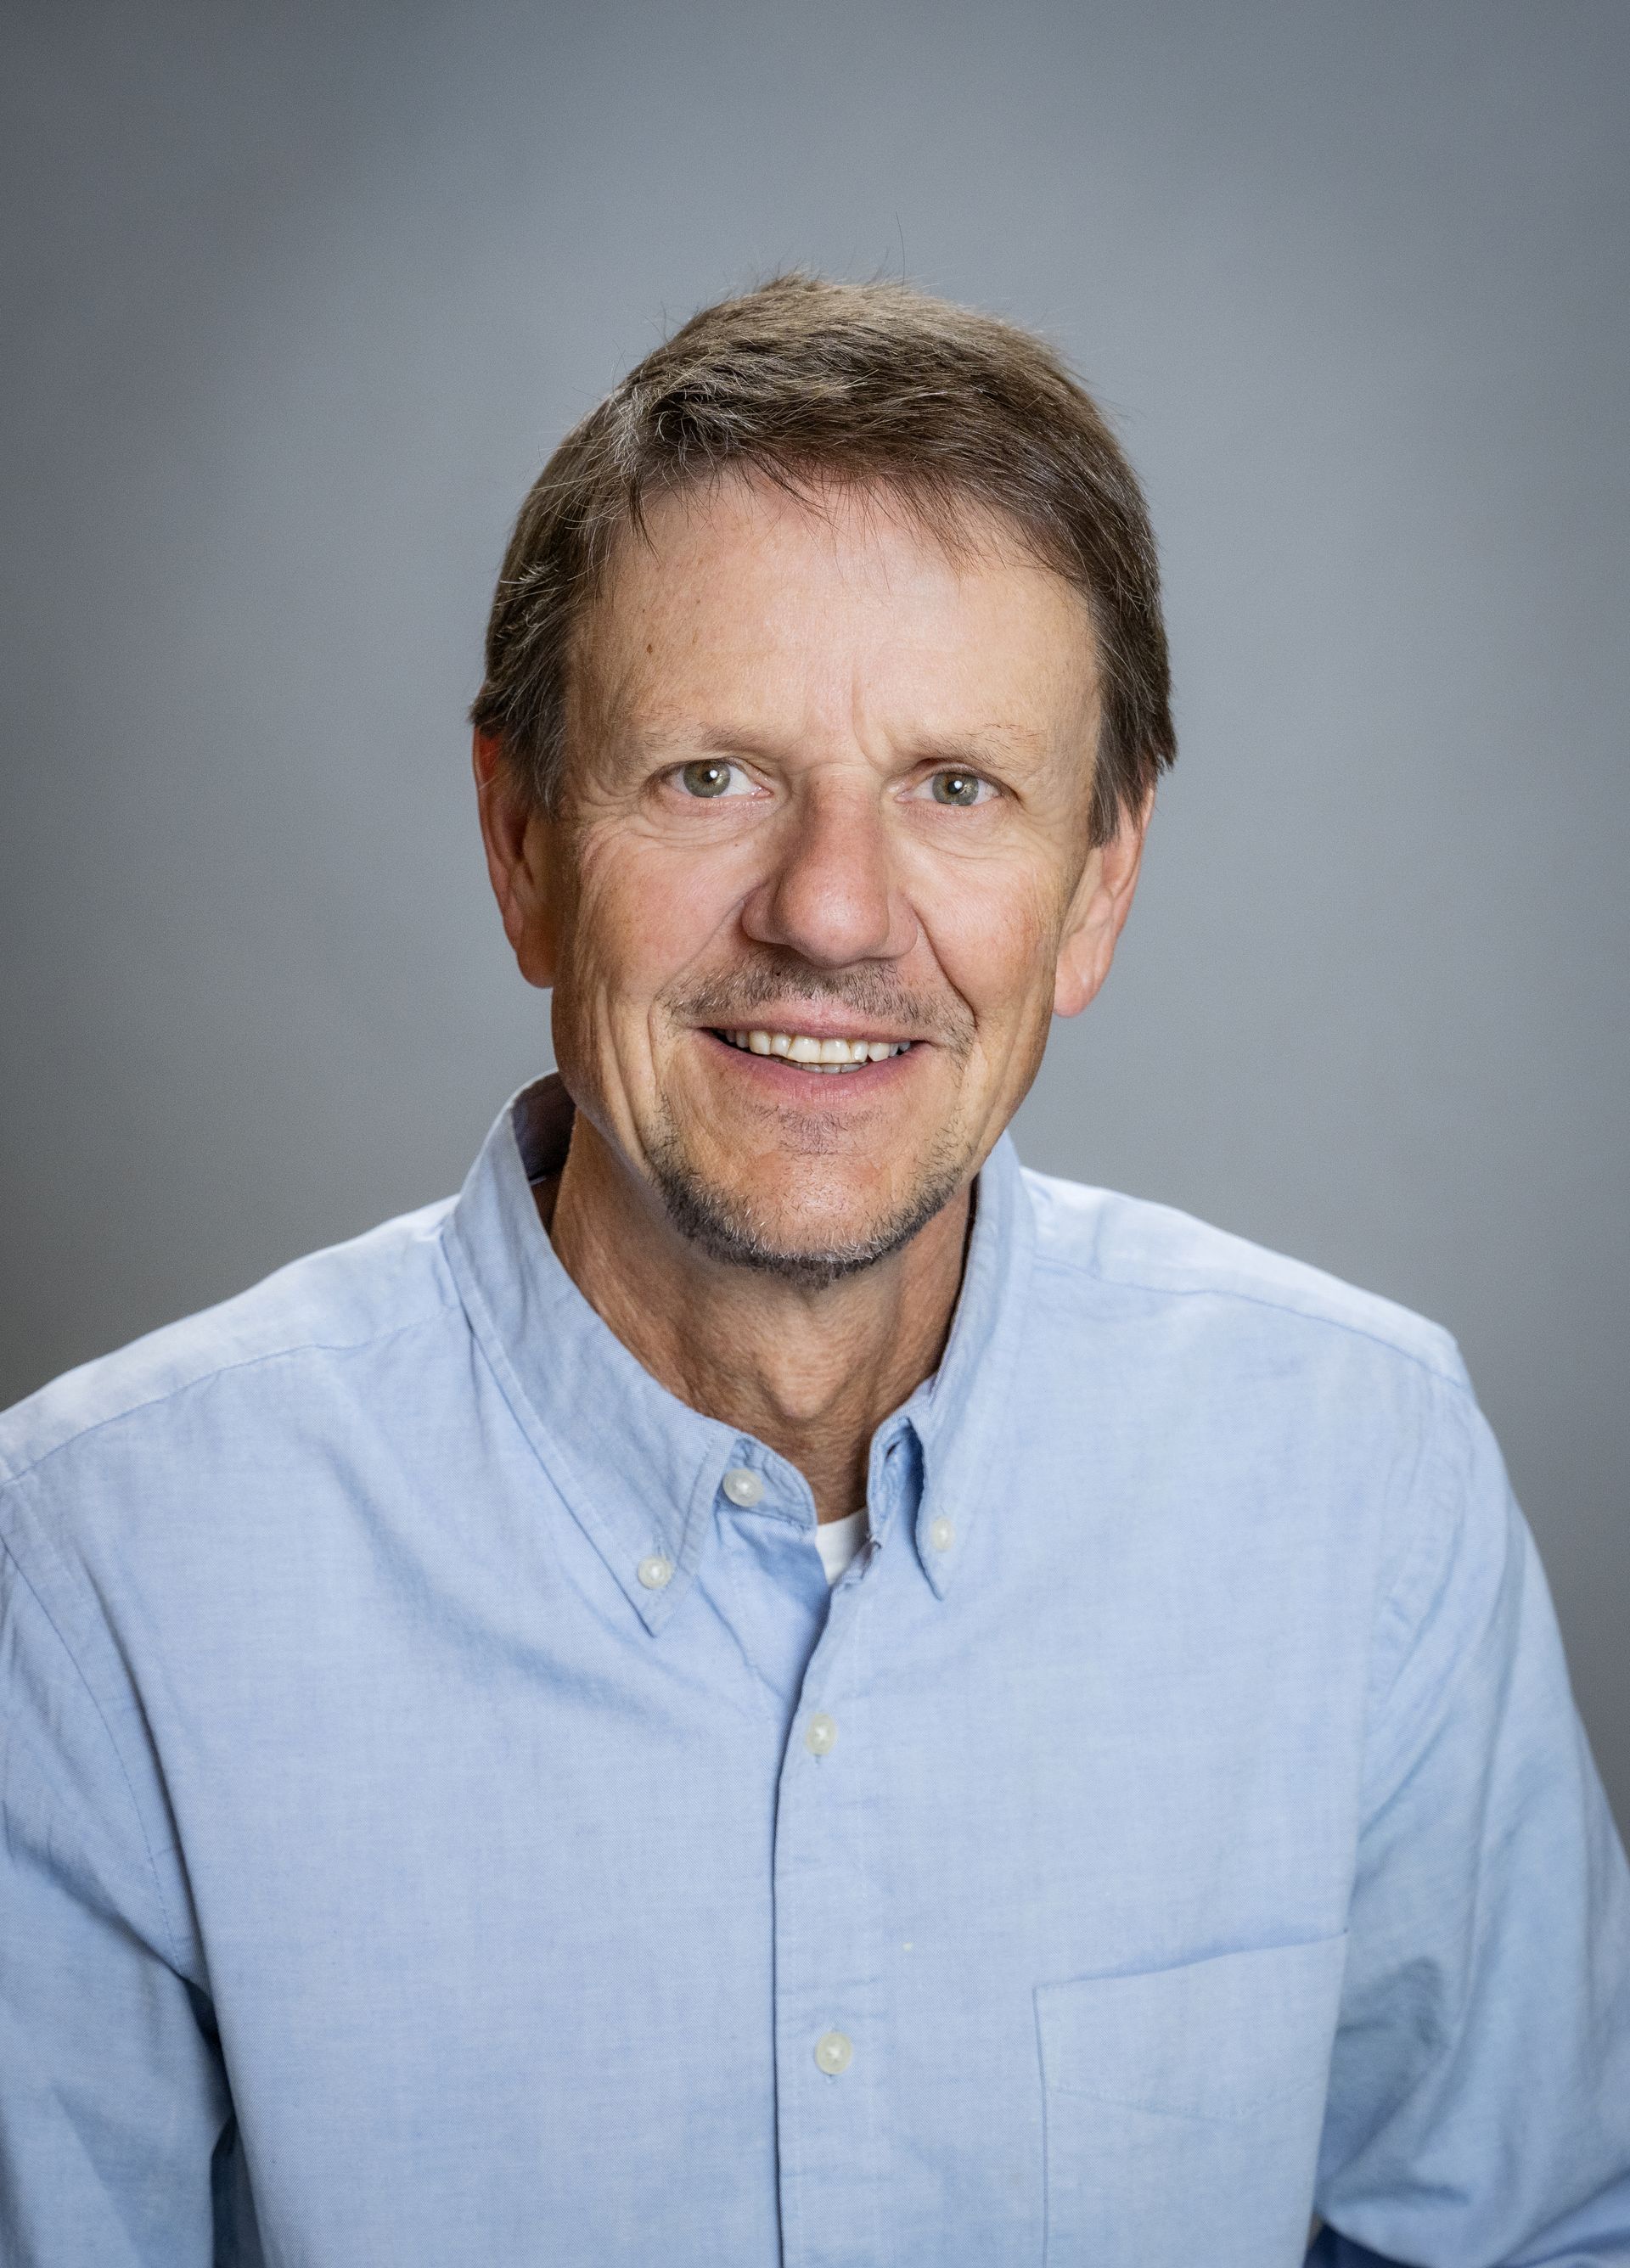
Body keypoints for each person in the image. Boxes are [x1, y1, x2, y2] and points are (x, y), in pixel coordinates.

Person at [1, 273, 1626, 2268]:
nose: (834, 912)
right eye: (713, 775)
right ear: (520, 843)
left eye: (958, 786)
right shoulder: (98, 1571)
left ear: (1098, 885)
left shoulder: (1365, 1477)